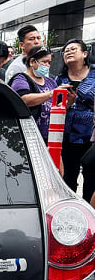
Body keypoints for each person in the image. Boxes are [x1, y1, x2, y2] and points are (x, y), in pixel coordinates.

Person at [9, 46, 61, 142]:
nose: (47, 66)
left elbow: (57, 107)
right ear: (32, 62)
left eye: (49, 63)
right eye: (44, 62)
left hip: (49, 136)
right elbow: (23, 100)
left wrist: (70, 100)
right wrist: (50, 94)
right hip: (29, 136)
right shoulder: (21, 79)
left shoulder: (51, 82)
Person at [63, 41, 95, 197]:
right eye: (66, 51)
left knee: (91, 174)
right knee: (68, 176)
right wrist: (67, 104)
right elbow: (55, 107)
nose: (68, 52)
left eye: (73, 49)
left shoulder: (94, 75)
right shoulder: (60, 79)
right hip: (68, 135)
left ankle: (89, 209)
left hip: (91, 135)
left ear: (84, 54)